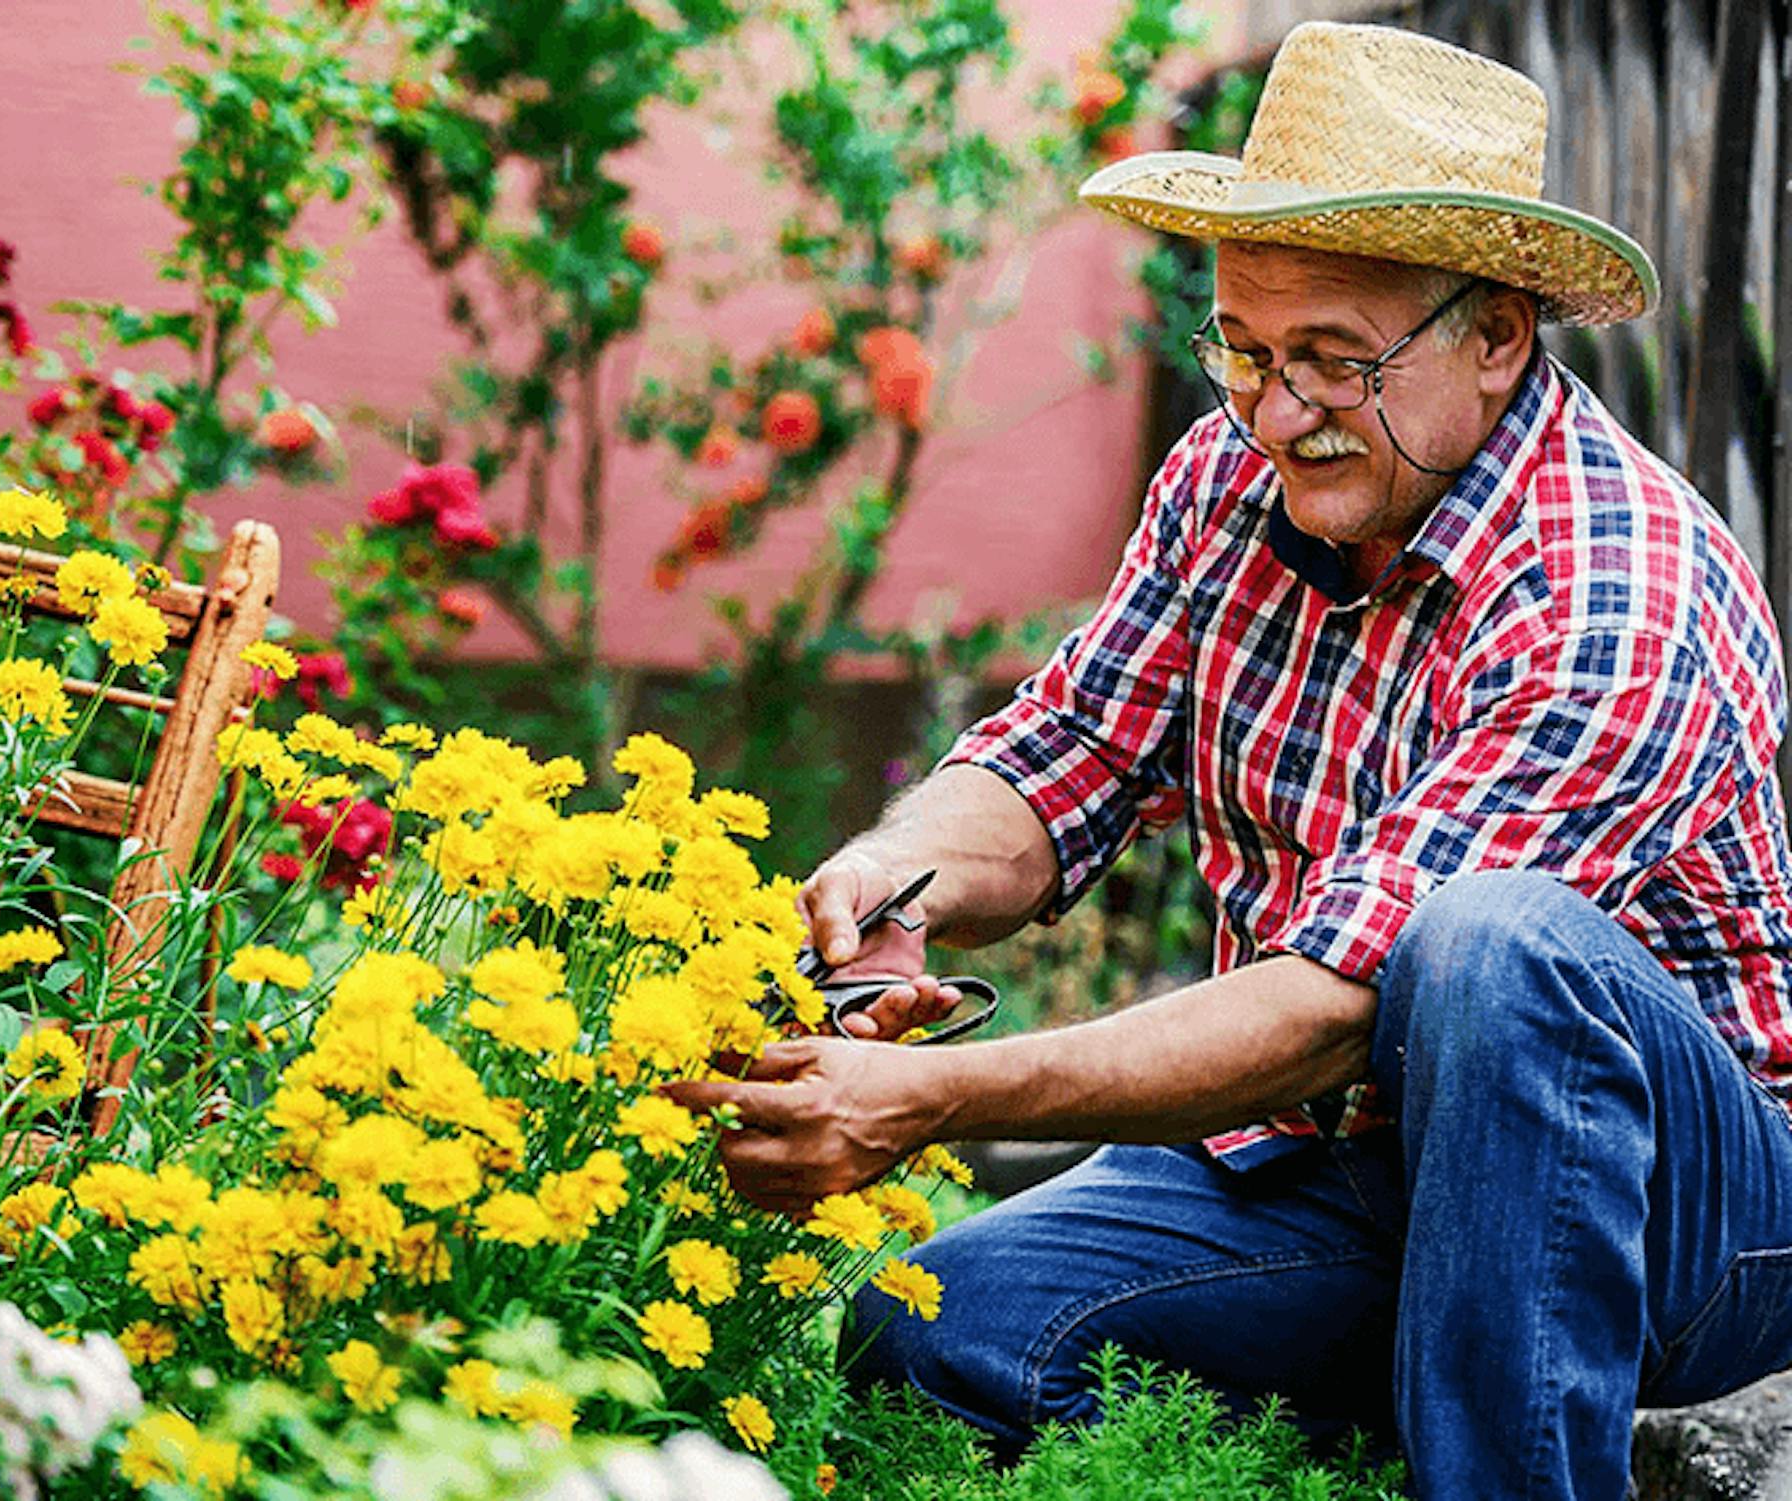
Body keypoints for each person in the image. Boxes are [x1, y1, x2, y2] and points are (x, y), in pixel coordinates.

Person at [664, 21, 1792, 1500]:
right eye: (1245, 352)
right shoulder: (1231, 479)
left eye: (1331, 361)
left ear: (1499, 334)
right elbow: (1069, 749)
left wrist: (943, 1094)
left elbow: (1340, 1000)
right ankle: (1395, 1406)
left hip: (1679, 1208)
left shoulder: (1618, 586)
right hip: (1330, 1160)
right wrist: (897, 873)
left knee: (1493, 943)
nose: (1274, 413)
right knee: (926, 1338)